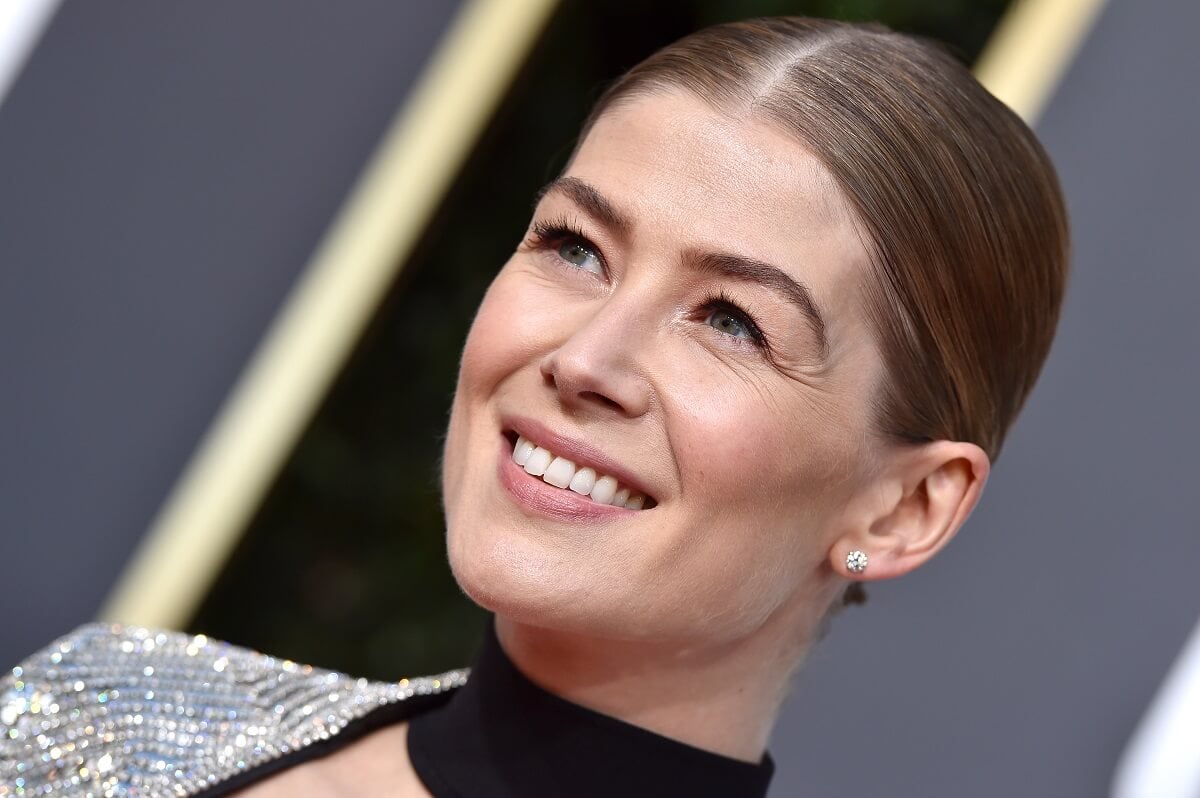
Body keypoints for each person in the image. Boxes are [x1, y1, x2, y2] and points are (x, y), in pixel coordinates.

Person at [0, 15, 1067, 798]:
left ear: (905, 507)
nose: (585, 356)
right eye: (575, 247)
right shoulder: (107, 712)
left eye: (732, 321)